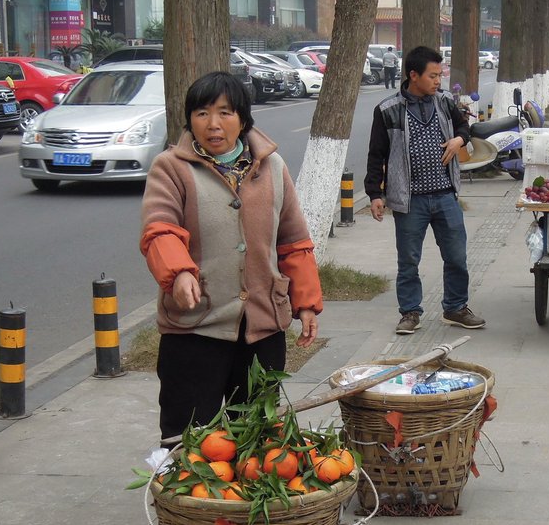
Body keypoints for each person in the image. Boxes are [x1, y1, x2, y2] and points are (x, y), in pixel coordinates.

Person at [140, 71, 323, 441]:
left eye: (225, 112)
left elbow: (293, 241)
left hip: (262, 327)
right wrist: (180, 274)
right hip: (196, 326)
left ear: (242, 118)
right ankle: (189, 500)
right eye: (202, 113)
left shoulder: (273, 167)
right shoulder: (171, 168)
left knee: (258, 438)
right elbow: (160, 229)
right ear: (190, 118)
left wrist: (304, 303)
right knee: (190, 438)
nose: (213, 124)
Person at [364, 45, 485, 335]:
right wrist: (374, 194)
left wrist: (459, 140)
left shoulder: (444, 102)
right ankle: (409, 312)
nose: (438, 81)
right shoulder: (388, 110)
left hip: (445, 195)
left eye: (440, 75)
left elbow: (464, 127)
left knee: (456, 256)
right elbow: (376, 154)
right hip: (410, 200)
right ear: (413, 75)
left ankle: (455, 308)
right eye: (432, 76)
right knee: (408, 260)